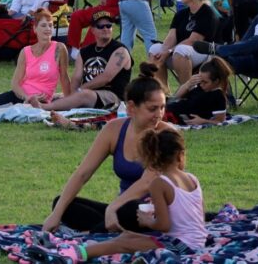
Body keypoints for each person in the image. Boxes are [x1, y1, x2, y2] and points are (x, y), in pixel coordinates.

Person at [33, 127, 205, 263]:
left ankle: (72, 255)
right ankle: (81, 248)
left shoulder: (159, 183)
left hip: (182, 246)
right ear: (180, 155)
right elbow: (197, 214)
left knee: (122, 244)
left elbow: (164, 225)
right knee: (127, 236)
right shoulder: (192, 178)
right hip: (196, 241)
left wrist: (147, 221)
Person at [41, 66, 172, 233]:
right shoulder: (114, 130)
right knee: (62, 203)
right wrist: (56, 214)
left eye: (162, 107)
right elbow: (83, 173)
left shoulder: (167, 135)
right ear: (131, 107)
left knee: (131, 209)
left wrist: (114, 208)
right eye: (153, 108)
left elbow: (147, 183)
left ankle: (94, 233)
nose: (159, 114)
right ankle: (107, 228)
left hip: (153, 213)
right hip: (121, 209)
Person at [0, 10, 71, 107]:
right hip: (21, 96)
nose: (48, 29)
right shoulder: (26, 51)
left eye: (50, 25)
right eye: (43, 25)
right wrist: (26, 97)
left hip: (41, 101)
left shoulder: (59, 48)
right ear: (35, 29)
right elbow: (15, 83)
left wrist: (69, 102)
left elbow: (64, 78)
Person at [148, 0, 219, 87]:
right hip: (179, 53)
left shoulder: (208, 13)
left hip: (203, 52)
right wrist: (164, 50)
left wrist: (170, 51)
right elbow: (171, 37)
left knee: (181, 50)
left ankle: (186, 91)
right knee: (155, 49)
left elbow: (193, 41)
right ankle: (162, 92)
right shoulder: (181, 14)